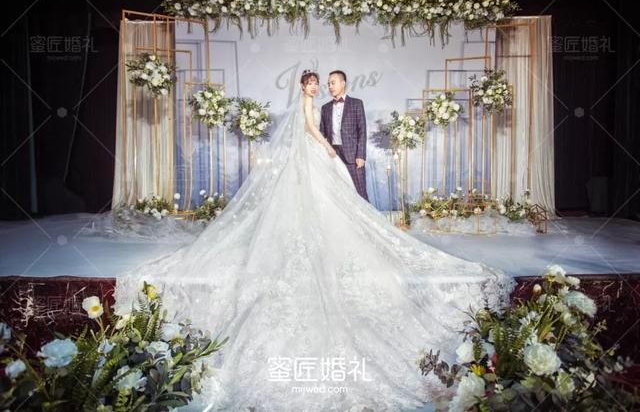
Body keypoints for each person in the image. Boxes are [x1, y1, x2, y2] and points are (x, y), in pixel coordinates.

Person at [115, 69, 514, 411]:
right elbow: (310, 129)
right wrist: (326, 147)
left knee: (334, 199)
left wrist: (338, 151)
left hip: (326, 153)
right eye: (312, 83)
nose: (317, 87)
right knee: (312, 200)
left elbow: (344, 130)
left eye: (320, 83)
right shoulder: (312, 107)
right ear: (304, 86)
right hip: (315, 151)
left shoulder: (345, 104)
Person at [320, 70, 369, 201]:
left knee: (360, 194)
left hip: (353, 157)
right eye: (328, 84)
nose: (330, 86)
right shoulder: (325, 108)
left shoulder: (357, 103)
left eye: (333, 83)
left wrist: (361, 155)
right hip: (334, 157)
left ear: (343, 84)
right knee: (339, 196)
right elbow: (322, 133)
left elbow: (362, 130)